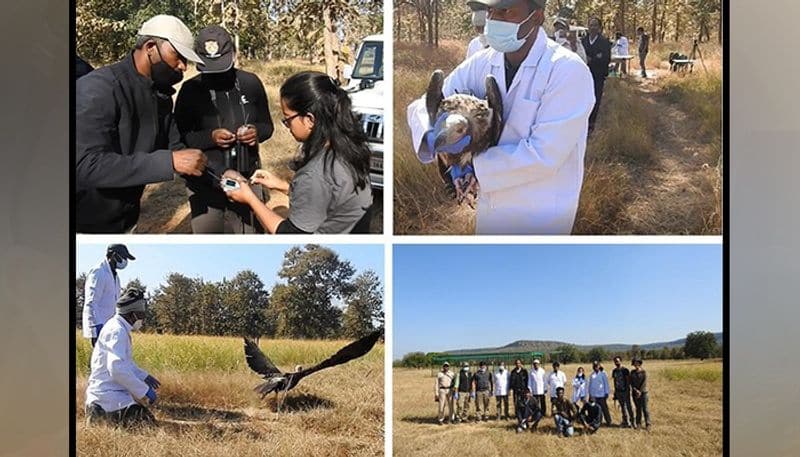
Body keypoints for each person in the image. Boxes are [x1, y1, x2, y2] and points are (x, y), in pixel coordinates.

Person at [407, 0, 594, 235]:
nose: (494, 20)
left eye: (506, 11)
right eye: (491, 11)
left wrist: (474, 166)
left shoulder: (568, 71)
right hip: (491, 212)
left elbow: (544, 155)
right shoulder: (482, 61)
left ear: (536, 17)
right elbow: (424, 104)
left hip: (541, 216)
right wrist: (437, 137)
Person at [76, 15, 208, 233]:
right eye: (178, 57)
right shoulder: (99, 88)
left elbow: (176, 148)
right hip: (85, 227)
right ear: (150, 47)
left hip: (127, 221)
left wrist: (220, 175)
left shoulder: (160, 96)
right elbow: (84, 165)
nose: (183, 67)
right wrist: (168, 162)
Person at [224, 71, 373, 234]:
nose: (287, 126)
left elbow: (291, 235)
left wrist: (250, 198)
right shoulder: (349, 148)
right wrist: (283, 186)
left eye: (288, 119)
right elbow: (330, 197)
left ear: (310, 119)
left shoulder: (315, 173)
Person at [175, 25, 275, 234]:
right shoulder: (190, 90)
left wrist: (256, 133)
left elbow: (268, 127)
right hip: (205, 182)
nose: (216, 74)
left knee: (251, 237)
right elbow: (181, 138)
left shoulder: (250, 83)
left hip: (246, 179)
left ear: (234, 55)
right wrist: (210, 138)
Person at [84, 288, 161, 428]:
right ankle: (102, 418)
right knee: (150, 427)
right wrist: (144, 391)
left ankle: (97, 417)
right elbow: (116, 368)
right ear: (132, 315)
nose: (143, 319)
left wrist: (143, 376)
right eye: (141, 314)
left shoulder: (115, 326)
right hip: (109, 398)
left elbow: (125, 363)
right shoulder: (117, 331)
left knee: (144, 418)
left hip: (103, 397)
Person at [82, 244, 135, 347]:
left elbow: (116, 302)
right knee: (101, 359)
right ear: (114, 255)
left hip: (111, 326)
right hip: (100, 325)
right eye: (124, 257)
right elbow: (92, 302)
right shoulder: (99, 272)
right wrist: (98, 326)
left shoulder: (115, 276)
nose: (125, 261)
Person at [580, 17, 612, 133]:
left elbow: (605, 58)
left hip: (598, 75)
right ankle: (583, 120)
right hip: (584, 75)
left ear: (599, 28)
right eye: (591, 25)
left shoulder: (604, 42)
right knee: (583, 98)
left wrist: (592, 59)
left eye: (595, 25)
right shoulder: (583, 41)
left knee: (595, 98)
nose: (592, 27)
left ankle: (591, 123)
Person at [612, 356, 635, 428]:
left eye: (618, 361)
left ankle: (632, 422)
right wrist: (615, 392)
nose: (616, 362)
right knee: (622, 407)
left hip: (625, 391)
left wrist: (627, 390)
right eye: (615, 361)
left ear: (621, 361)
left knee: (629, 407)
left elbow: (628, 381)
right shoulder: (614, 371)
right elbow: (615, 381)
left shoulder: (625, 370)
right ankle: (625, 421)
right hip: (618, 391)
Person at [587, 360, 612, 425]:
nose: (595, 367)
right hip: (594, 395)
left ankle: (608, 421)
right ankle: (598, 421)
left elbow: (606, 384)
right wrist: (590, 394)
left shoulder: (603, 374)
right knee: (595, 409)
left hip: (602, 395)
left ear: (599, 366)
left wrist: (606, 392)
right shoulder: (592, 375)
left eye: (597, 366)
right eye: (594, 366)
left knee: (604, 409)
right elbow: (590, 385)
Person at [630, 358, 651, 430]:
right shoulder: (632, 372)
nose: (636, 364)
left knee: (645, 409)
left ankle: (648, 424)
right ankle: (638, 423)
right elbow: (631, 383)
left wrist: (640, 391)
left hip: (644, 393)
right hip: (635, 393)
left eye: (637, 363)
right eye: (634, 363)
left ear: (639, 363)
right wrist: (635, 390)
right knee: (638, 409)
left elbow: (644, 383)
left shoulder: (644, 372)